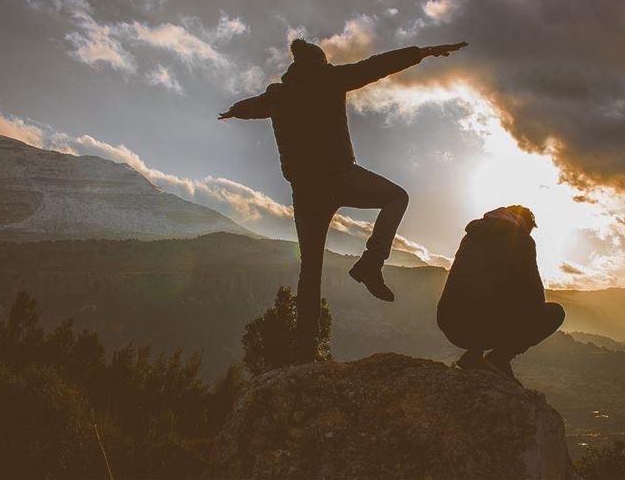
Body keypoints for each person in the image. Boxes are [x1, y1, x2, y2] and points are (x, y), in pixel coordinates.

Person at [219, 38, 467, 362]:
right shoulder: (330, 79)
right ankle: (371, 263)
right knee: (396, 197)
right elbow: (378, 65)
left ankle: (306, 348)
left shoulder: (277, 96)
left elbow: (250, 108)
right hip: (340, 177)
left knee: (310, 270)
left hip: (305, 192)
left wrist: (232, 111)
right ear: (320, 62)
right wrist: (422, 52)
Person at [437, 205, 565, 385]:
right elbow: (536, 296)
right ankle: (497, 360)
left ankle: (473, 355)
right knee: (554, 313)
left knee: (485, 293)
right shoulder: (521, 240)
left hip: (449, 322)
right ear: (523, 225)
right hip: (482, 325)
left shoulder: (472, 235)